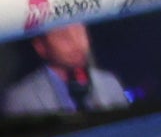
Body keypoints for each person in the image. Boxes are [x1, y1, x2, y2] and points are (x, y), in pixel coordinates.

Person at [1, 21, 134, 118]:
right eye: (63, 37)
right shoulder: (20, 98)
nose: (77, 43)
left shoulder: (110, 83)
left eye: (80, 33)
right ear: (40, 46)